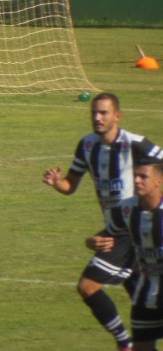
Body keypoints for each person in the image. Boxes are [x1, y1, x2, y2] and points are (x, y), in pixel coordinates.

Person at [43, 92, 163, 351]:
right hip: (117, 227)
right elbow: (70, 186)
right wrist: (57, 183)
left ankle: (124, 343)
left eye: (104, 113)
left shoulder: (136, 145)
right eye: (94, 113)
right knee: (142, 301)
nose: (97, 118)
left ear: (117, 116)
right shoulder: (87, 145)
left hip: (133, 231)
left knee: (88, 286)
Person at [91, 160, 163, 350]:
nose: (137, 181)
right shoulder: (126, 208)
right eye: (135, 176)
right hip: (146, 291)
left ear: (159, 181)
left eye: (143, 177)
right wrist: (92, 241)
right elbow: (110, 232)